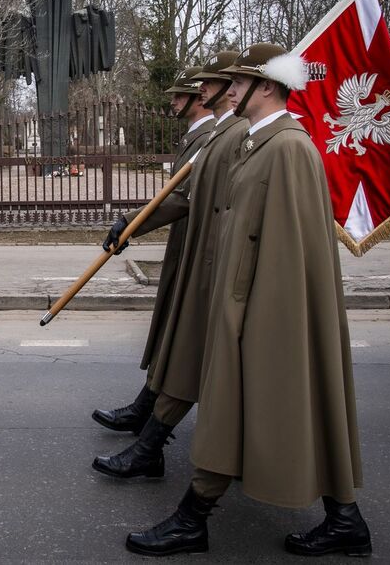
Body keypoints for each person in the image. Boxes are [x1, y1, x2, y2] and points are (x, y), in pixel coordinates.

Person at [125, 44, 370, 557]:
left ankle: (195, 519)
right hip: (238, 303)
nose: (228, 89)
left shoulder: (289, 149)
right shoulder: (257, 143)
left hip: (261, 310)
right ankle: (344, 518)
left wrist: (253, 315)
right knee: (259, 410)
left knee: (270, 408)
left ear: (269, 87)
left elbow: (288, 251)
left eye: (240, 82)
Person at [92, 51, 248, 479]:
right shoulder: (213, 134)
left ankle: (154, 443)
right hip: (194, 249)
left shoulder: (227, 135)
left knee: (187, 349)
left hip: (213, 258)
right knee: (177, 343)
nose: (187, 97)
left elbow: (188, 200)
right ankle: (148, 430)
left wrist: (132, 225)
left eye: (200, 88)